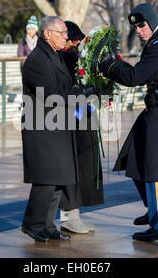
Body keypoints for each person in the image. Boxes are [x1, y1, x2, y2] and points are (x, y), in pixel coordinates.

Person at [98, 3, 158, 242]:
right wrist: (113, 64)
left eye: (141, 24)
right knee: (135, 155)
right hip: (157, 102)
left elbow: (134, 77)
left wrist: (108, 64)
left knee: (155, 167)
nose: (138, 30)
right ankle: (156, 210)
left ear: (151, 20)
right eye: (135, 26)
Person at [20, 16, 97, 242]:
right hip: (41, 126)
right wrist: (82, 93)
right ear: (47, 34)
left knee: (58, 177)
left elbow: (65, 86)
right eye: (62, 32)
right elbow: (53, 94)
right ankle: (32, 224)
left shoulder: (54, 55)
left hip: (56, 124)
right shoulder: (37, 60)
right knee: (46, 179)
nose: (66, 36)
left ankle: (46, 225)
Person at [58, 21, 104, 234]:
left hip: (82, 115)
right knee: (74, 167)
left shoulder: (74, 58)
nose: (77, 43)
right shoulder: (64, 59)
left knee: (83, 166)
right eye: (74, 39)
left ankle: (72, 214)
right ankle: (68, 215)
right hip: (72, 117)